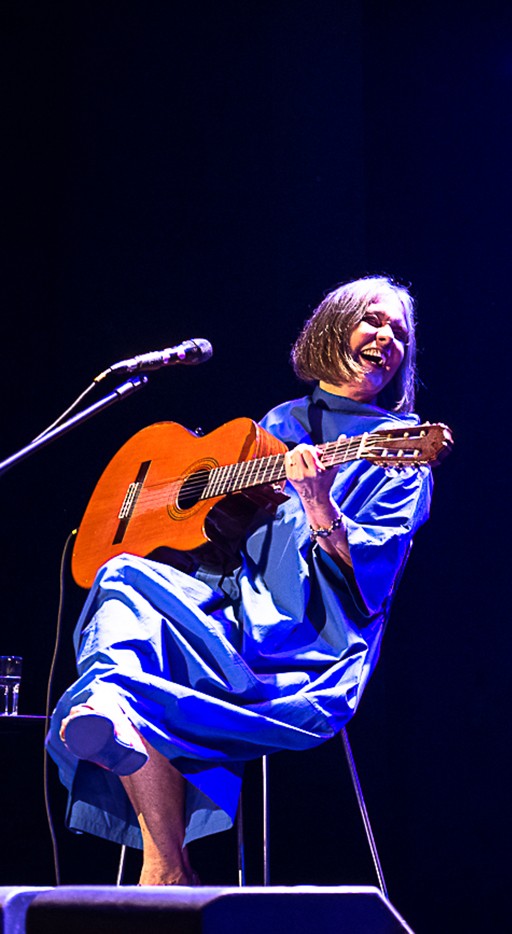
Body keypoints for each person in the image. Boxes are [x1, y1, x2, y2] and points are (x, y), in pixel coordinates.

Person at [47, 275, 436, 885]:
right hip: (222, 604)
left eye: (399, 334)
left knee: (133, 662)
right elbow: (210, 532)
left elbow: (370, 584)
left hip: (308, 639)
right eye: (372, 321)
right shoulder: (277, 424)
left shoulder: (399, 452)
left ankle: (157, 846)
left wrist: (319, 507)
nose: (386, 339)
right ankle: (163, 851)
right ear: (333, 329)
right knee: (123, 574)